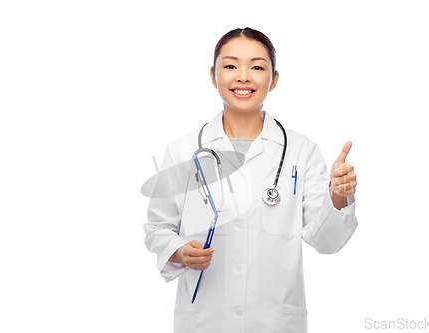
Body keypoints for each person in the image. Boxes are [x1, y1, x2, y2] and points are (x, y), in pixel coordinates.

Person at [144, 27, 358, 333]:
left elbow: (328, 242)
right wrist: (179, 252)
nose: (243, 76)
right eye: (230, 66)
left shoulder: (301, 151)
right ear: (212, 75)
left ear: (274, 79)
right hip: (205, 320)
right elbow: (157, 229)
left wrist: (338, 195)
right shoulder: (182, 150)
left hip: (275, 322)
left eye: (257, 67)